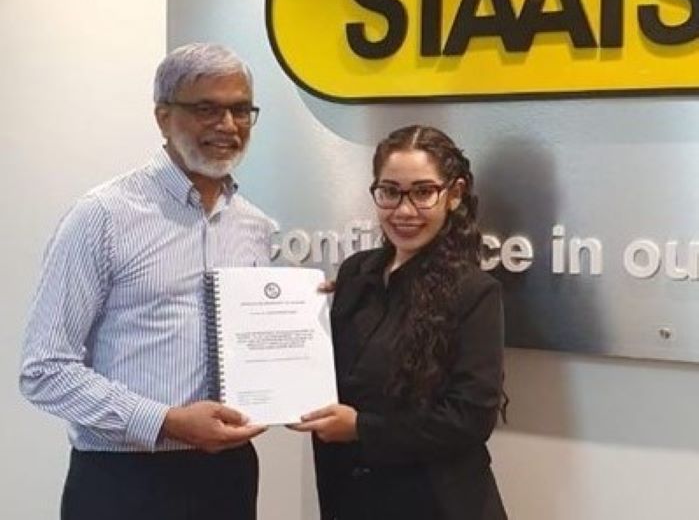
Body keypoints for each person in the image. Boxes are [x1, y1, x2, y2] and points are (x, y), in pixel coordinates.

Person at [20, 43, 274, 520]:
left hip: (228, 475)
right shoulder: (103, 216)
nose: (228, 125)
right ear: (163, 117)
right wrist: (164, 421)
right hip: (123, 480)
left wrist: (309, 320)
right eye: (207, 109)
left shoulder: (255, 226)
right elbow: (44, 369)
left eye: (241, 110)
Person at [294, 125, 507, 520]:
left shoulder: (474, 292)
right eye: (390, 191)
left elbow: (469, 419)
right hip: (351, 498)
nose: (404, 211)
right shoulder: (356, 274)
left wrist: (361, 428)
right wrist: (298, 318)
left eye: (423, 192)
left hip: (436, 503)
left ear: (454, 194)